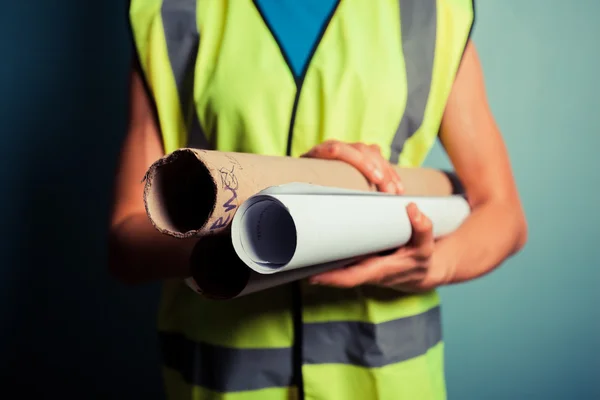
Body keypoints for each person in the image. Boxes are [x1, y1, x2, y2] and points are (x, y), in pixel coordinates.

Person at [109, 1, 527, 399]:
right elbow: (127, 242)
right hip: (226, 378)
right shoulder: (170, 10)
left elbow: (504, 212)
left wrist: (435, 264)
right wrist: (267, 216)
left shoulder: (432, 10)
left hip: (386, 377)